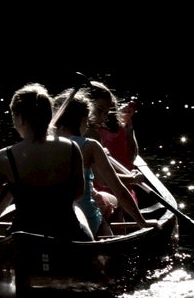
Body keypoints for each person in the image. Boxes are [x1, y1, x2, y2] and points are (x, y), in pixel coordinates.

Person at [0, 83, 93, 242]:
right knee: (78, 212)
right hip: (67, 234)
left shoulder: (4, 157)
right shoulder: (71, 148)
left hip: (25, 240)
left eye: (13, 116)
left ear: (19, 118)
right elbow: (78, 193)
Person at [50, 88, 154, 238]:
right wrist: (142, 222)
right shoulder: (90, 145)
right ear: (84, 118)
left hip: (49, 216)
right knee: (110, 204)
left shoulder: (41, 144)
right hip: (86, 215)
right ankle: (117, 245)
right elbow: (117, 188)